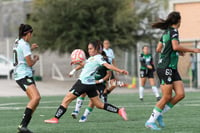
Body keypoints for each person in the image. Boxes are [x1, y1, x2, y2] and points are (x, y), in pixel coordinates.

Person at [44, 40, 128, 124]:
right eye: (88, 49)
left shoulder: (99, 58)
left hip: (82, 83)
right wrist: (77, 63)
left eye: (91, 48)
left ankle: (56, 118)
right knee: (99, 105)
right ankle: (119, 111)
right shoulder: (92, 58)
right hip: (90, 84)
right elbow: (86, 65)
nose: (89, 50)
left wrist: (120, 70)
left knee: (66, 100)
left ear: (97, 49)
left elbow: (108, 65)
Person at [145, 11, 200, 130]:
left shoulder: (166, 32)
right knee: (166, 97)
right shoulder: (174, 31)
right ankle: (150, 121)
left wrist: (175, 51)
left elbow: (159, 48)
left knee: (180, 94)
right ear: (179, 21)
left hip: (172, 68)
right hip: (165, 67)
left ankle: (159, 114)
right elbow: (174, 46)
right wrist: (193, 50)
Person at [13, 24, 40, 133]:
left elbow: (21, 51)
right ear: (28, 33)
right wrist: (35, 59)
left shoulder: (17, 41)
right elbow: (29, 63)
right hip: (23, 74)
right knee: (36, 98)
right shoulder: (24, 45)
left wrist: (30, 48)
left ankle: (23, 127)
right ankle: (23, 125)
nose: (31, 36)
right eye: (31, 34)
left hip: (22, 74)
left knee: (35, 100)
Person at [70, 51, 112, 122]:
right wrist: (73, 70)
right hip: (90, 81)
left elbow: (108, 74)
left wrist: (100, 81)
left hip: (100, 84)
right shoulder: (92, 59)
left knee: (93, 100)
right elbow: (82, 65)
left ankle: (84, 116)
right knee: (83, 93)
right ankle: (76, 111)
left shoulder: (106, 62)